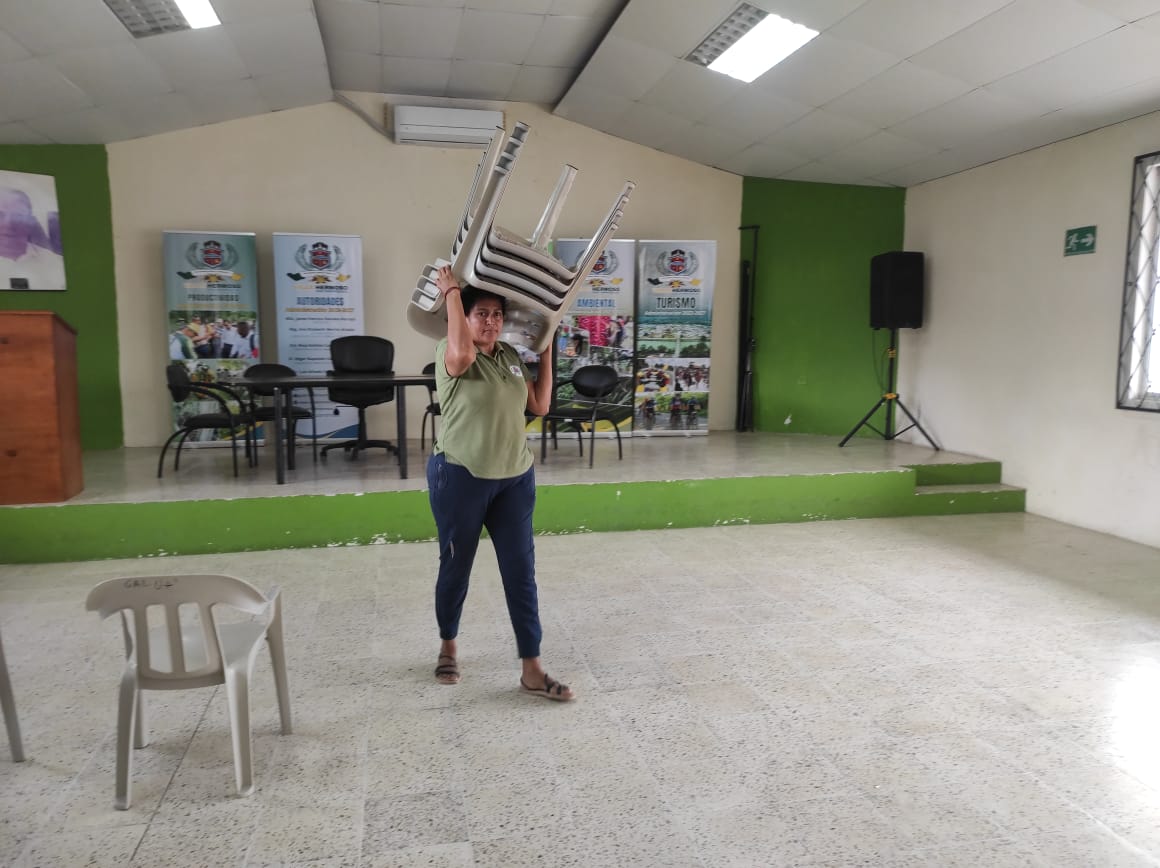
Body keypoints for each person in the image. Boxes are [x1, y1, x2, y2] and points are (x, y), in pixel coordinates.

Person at [427, 264, 575, 701]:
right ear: (464, 317)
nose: (491, 321)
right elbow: (462, 355)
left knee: (521, 572)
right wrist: (452, 291)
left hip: (514, 479)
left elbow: (540, 404)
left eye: (496, 314)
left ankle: (532, 668)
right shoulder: (450, 351)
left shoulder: (509, 357)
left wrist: (545, 350)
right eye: (482, 314)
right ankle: (448, 645)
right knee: (456, 566)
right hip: (461, 475)